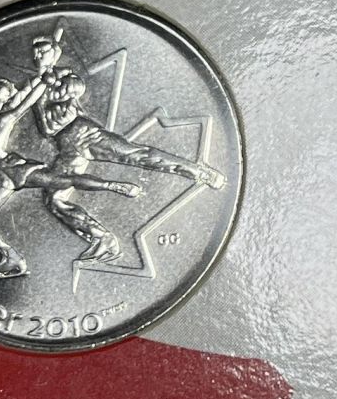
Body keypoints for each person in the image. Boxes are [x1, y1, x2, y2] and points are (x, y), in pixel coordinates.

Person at [0, 38, 139, 279]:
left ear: (5, 99)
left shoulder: (3, 119)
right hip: (0, 177)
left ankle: (112, 186)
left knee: (62, 181)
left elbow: (23, 105)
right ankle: (12, 258)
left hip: (11, 170)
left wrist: (43, 83)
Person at [33, 36, 224, 265]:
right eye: (36, 53)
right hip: (66, 147)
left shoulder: (63, 75)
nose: (37, 55)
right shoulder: (36, 86)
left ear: (54, 53)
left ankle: (198, 171)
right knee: (54, 197)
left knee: (137, 155)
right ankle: (104, 240)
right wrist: (42, 89)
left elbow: (71, 97)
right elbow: (47, 128)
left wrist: (51, 88)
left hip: (85, 133)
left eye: (43, 50)